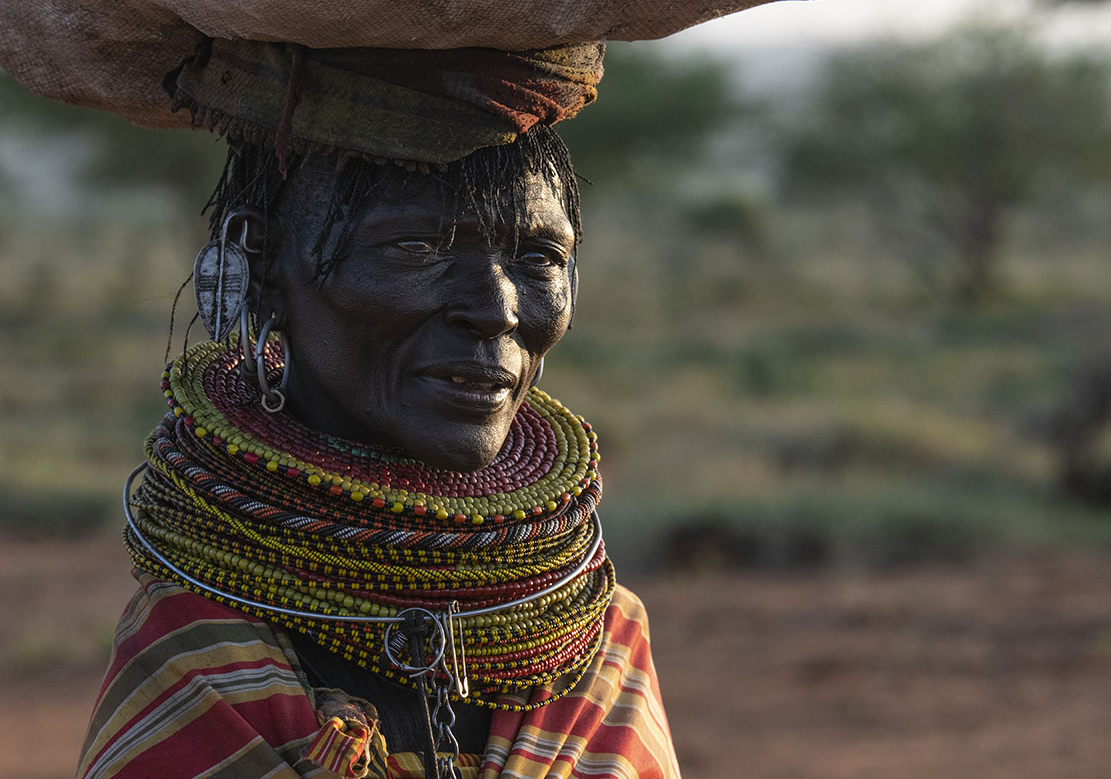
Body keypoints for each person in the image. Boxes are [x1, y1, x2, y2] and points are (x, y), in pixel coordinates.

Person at [75, 41, 680, 779]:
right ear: (263, 272)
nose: (497, 310)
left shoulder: (595, 636)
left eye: (540, 258)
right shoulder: (204, 658)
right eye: (415, 246)